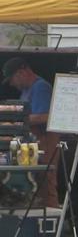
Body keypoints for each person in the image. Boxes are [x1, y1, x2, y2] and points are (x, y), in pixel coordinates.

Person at [2, 57, 59, 208]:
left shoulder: (40, 87)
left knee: (46, 182)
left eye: (12, 79)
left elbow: (44, 116)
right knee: (33, 182)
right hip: (30, 145)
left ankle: (49, 222)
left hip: (44, 142)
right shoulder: (26, 92)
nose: (13, 84)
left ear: (22, 72)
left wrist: (15, 118)